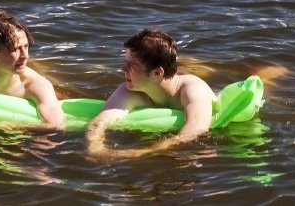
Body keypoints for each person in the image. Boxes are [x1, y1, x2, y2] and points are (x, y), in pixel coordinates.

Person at [87, 29, 216, 159]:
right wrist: (96, 147)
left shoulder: (193, 89)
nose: (122, 69)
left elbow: (196, 129)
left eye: (131, 65)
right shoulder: (131, 91)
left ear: (157, 73)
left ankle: (195, 64)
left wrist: (142, 152)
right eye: (125, 62)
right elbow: (99, 122)